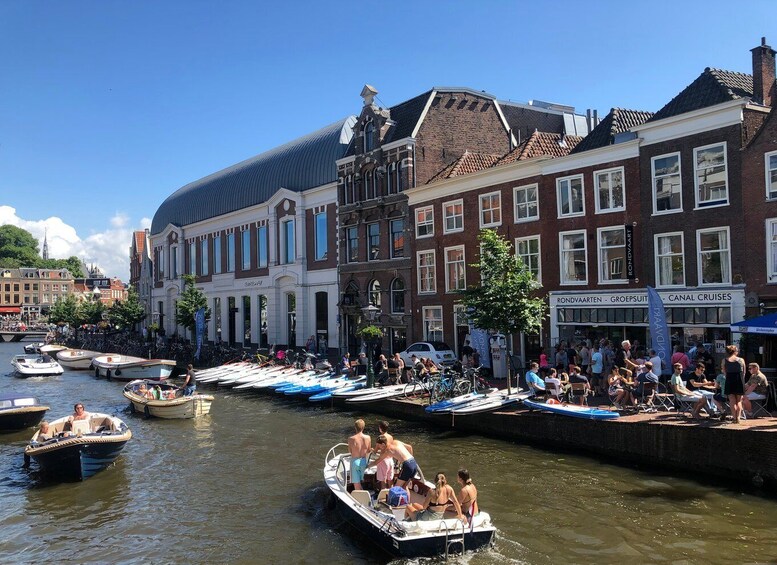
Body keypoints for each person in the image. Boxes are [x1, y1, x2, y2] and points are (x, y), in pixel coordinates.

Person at [721, 344, 746, 424]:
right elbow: (744, 372)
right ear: (735, 351)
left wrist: (728, 376)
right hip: (739, 379)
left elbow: (724, 372)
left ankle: (734, 418)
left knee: (732, 400)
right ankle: (738, 418)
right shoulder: (741, 360)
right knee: (739, 401)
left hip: (729, 380)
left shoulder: (724, 360)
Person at [348, 419, 371, 491]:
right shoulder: (368, 438)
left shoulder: (351, 439)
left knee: (356, 484)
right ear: (363, 427)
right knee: (361, 481)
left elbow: (350, 451)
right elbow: (368, 450)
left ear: (355, 427)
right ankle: (363, 495)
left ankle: (360, 499)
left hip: (355, 462)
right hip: (363, 461)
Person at [374, 421, 395, 491]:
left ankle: (384, 497)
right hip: (390, 460)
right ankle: (392, 496)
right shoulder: (391, 437)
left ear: (380, 428)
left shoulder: (380, 437)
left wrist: (372, 450)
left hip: (383, 461)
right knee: (390, 481)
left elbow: (375, 451)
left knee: (383, 481)